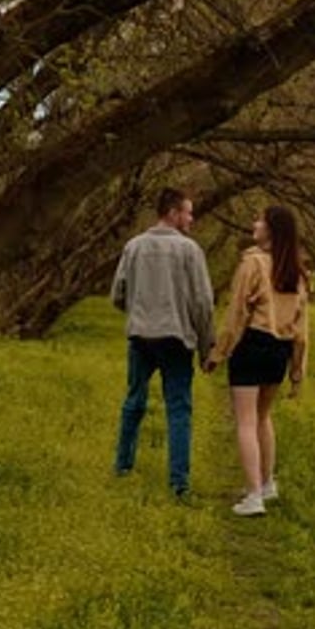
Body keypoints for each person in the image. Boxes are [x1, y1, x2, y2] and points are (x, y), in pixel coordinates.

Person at [111, 187, 215, 497]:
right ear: (172, 213)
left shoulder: (133, 247)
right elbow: (203, 303)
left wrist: (138, 310)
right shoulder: (190, 251)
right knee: (179, 408)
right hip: (176, 338)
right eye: (188, 212)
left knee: (133, 403)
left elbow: (118, 293)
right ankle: (178, 483)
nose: (191, 219)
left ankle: (122, 467)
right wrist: (207, 347)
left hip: (141, 336)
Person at [205, 205, 308, 517]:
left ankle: (253, 497)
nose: (255, 223)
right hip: (281, 349)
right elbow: (303, 328)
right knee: (263, 417)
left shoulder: (253, 264)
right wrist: (297, 369)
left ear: (271, 229)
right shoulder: (297, 271)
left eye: (260, 219)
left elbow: (236, 314)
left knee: (246, 421)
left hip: (253, 344)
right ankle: (266, 484)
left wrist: (218, 353)